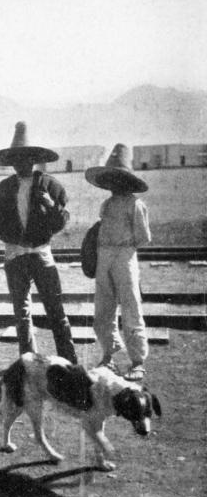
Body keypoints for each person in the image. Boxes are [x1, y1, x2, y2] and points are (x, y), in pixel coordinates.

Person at [0, 122, 77, 364]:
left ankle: (69, 361)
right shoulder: (4, 188)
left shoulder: (50, 185)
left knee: (55, 308)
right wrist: (4, 230)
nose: (21, 163)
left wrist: (50, 205)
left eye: (26, 158)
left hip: (41, 253)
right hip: (14, 255)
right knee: (22, 313)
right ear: (11, 162)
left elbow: (60, 222)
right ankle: (27, 362)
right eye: (16, 158)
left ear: (34, 159)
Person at [85, 143, 151, 381]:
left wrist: (123, 247)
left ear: (126, 181)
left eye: (118, 178)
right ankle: (108, 355)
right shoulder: (107, 204)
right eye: (110, 179)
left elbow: (143, 237)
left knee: (131, 307)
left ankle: (137, 360)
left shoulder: (135, 204)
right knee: (103, 308)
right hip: (104, 257)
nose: (114, 184)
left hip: (124, 257)